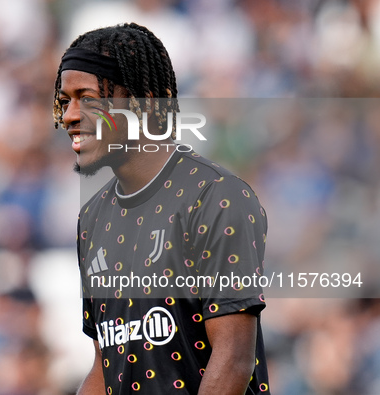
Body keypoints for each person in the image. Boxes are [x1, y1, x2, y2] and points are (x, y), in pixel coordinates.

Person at [53, 23, 269, 394]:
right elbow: (105, 367)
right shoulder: (91, 219)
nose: (70, 116)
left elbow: (233, 360)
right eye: (64, 100)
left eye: (88, 98)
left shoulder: (214, 197)